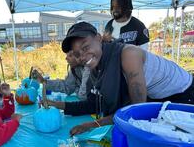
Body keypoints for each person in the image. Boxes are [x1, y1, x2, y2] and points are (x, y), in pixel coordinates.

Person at [46, 21, 194, 136]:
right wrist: (55, 104)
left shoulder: (128, 55)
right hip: (157, 98)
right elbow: (93, 105)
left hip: (183, 94)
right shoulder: (96, 69)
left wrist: (93, 125)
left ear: (98, 38)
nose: (83, 57)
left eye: (85, 47)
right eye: (78, 53)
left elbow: (136, 112)